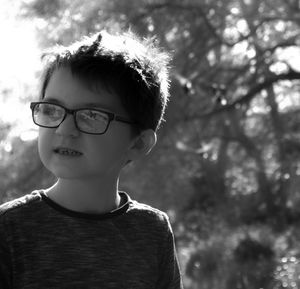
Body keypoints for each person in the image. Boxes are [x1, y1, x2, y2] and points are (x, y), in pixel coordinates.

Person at [0, 29, 183, 288]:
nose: (64, 129)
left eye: (92, 115)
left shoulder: (152, 231)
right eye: (52, 110)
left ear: (138, 143)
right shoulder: (10, 229)